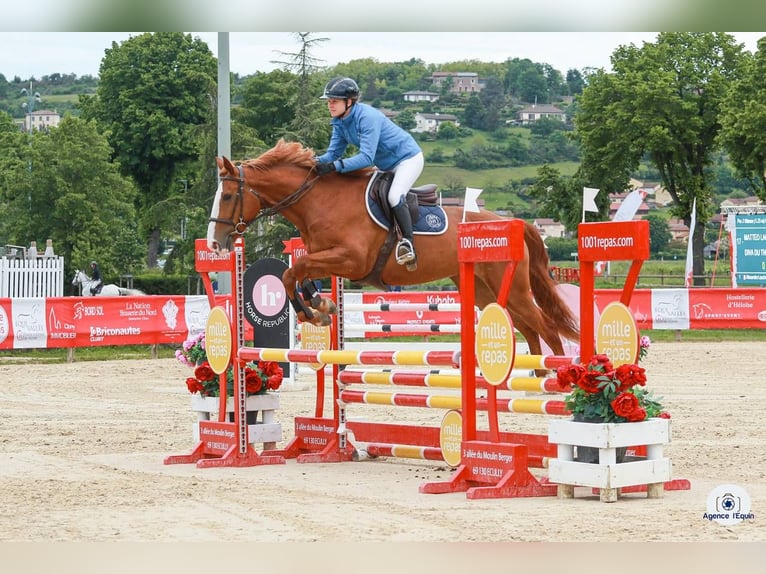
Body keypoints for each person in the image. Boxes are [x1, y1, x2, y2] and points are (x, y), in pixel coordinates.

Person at [314, 77, 424, 270]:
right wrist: (310, 163)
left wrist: (334, 167)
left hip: (408, 159)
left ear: (349, 101)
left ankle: (408, 243)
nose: (330, 105)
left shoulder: (367, 117)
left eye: (334, 101)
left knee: (393, 196)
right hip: (385, 165)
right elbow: (332, 154)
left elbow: (366, 158)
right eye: (329, 101)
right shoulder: (339, 122)